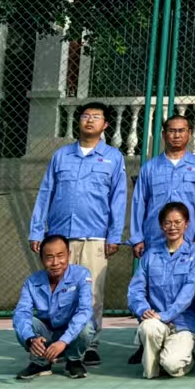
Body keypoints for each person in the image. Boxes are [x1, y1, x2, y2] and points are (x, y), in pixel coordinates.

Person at [26, 100, 126, 365]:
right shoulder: (61, 156)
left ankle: (89, 344)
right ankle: (57, 343)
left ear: (106, 125)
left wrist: (114, 236)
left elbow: (118, 198)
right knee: (60, 293)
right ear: (78, 121)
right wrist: (37, 231)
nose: (89, 120)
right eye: (85, 115)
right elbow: (46, 192)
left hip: (95, 237)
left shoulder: (113, 157)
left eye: (96, 116)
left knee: (91, 294)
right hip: (61, 238)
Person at [127, 114, 195, 364]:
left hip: (188, 242)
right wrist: (137, 237)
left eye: (182, 130)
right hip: (154, 238)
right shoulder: (150, 168)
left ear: (189, 134)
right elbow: (139, 202)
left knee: (187, 290)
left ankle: (185, 335)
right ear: (164, 134)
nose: (176, 135)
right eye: (172, 131)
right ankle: (147, 340)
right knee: (149, 288)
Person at [126, 201, 195, 379]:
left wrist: (164, 315)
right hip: (156, 320)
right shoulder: (150, 255)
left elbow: (188, 293)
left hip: (184, 323)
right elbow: (136, 289)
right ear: (161, 225)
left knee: (172, 365)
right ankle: (152, 368)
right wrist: (143, 310)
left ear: (186, 224)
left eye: (178, 222)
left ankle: (183, 356)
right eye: (167, 223)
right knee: (148, 327)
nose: (172, 227)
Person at [12, 234, 94, 380]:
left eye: (60, 256)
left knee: (87, 326)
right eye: (49, 257)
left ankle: (73, 360)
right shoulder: (32, 282)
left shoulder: (82, 275)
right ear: (41, 259)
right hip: (47, 332)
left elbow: (85, 310)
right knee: (23, 322)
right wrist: (30, 339)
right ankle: (41, 363)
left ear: (69, 255)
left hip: (70, 333)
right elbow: (21, 312)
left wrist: (63, 341)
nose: (55, 262)